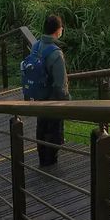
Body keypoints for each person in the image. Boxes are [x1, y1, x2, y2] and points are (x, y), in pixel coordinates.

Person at [33, 14, 69, 166]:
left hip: (39, 97)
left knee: (41, 127)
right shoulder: (56, 53)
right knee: (54, 130)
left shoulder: (36, 46)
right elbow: (60, 84)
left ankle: (42, 159)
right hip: (53, 100)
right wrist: (68, 102)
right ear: (57, 31)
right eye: (61, 28)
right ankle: (51, 163)